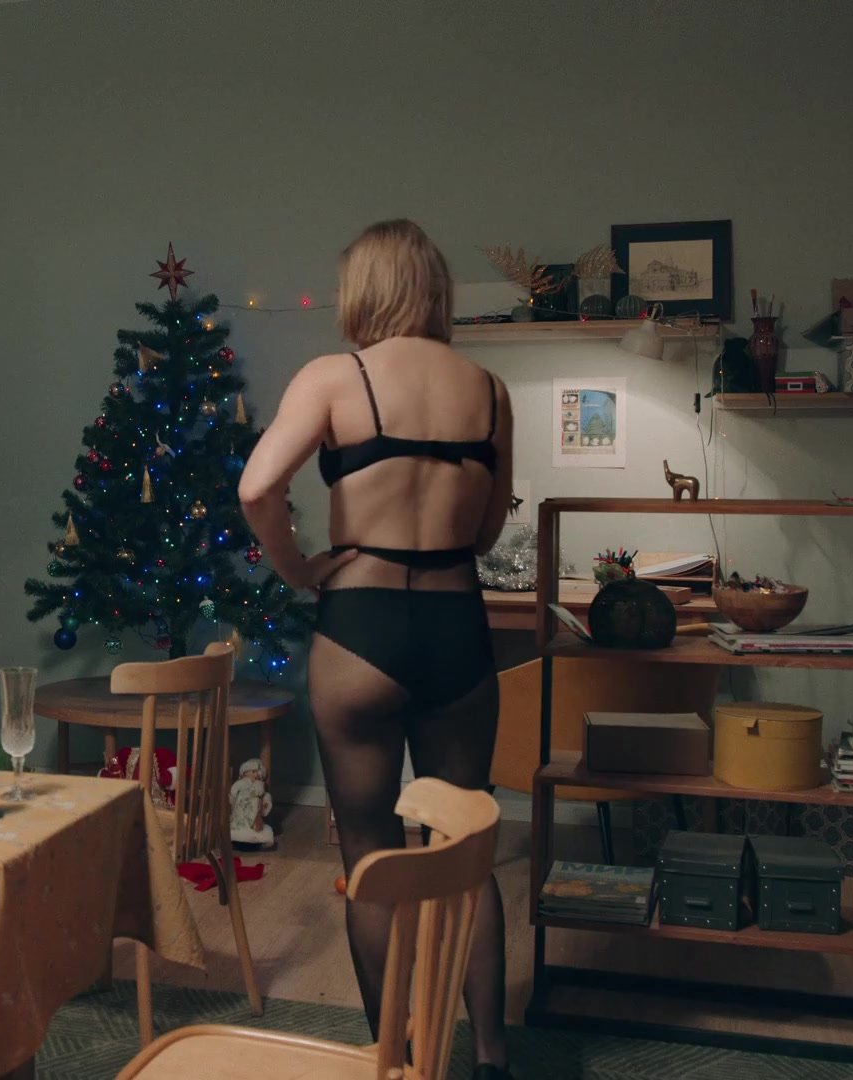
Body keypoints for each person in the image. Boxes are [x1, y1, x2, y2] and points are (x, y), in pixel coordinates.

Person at [238, 220, 514, 1077]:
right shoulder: (489, 390)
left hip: (360, 629)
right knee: (465, 849)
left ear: (364, 290)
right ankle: (492, 1057)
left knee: (369, 854)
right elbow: (489, 529)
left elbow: (256, 487)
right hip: (456, 624)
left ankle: (397, 1058)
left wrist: (298, 568)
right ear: (434, 289)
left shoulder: (334, 377)